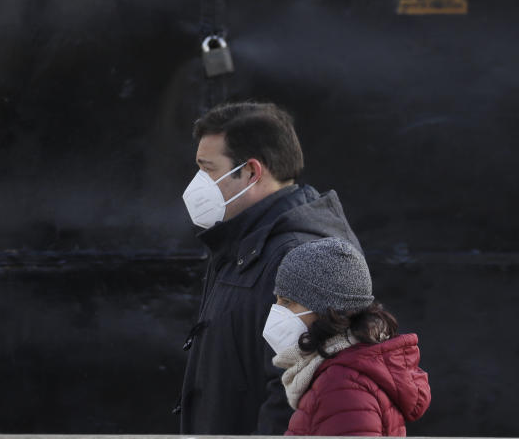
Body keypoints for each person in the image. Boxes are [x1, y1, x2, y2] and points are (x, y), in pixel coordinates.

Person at [177, 101, 364, 435]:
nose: (198, 182)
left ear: (251, 171)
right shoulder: (242, 243)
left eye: (208, 168)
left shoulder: (302, 255)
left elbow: (294, 392)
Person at [264, 237, 431, 436]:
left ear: (327, 309)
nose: (277, 311)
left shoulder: (342, 386)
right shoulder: (343, 373)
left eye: (287, 301)